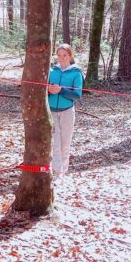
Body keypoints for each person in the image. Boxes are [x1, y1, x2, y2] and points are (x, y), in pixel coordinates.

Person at [47, 44, 83, 179]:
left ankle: (64, 171)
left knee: (65, 143)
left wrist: (61, 90)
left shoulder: (76, 72)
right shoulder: (51, 71)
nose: (62, 58)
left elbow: (77, 95)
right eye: (59, 55)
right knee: (55, 143)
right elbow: (44, 91)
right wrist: (49, 91)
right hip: (51, 112)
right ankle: (57, 172)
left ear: (70, 56)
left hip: (67, 112)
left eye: (65, 55)